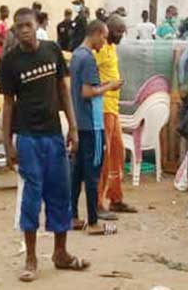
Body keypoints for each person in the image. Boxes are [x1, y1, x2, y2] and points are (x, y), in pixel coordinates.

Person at [0, 7, 88, 282]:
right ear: (14, 31)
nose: (24, 30)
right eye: (18, 27)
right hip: (27, 138)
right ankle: (31, 258)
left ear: (38, 24)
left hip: (53, 134)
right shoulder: (10, 62)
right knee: (31, 198)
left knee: (60, 193)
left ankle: (60, 253)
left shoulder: (52, 51)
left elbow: (63, 90)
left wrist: (73, 127)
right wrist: (7, 144)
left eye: (28, 24)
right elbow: (8, 104)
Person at [69, 20, 119, 236]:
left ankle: (72, 217)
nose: (105, 42)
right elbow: (87, 92)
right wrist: (110, 85)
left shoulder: (76, 55)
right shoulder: (88, 58)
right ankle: (94, 222)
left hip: (79, 122)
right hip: (92, 123)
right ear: (97, 34)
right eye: (104, 37)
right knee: (93, 172)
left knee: (77, 172)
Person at [95, 15, 136, 217]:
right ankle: (98, 203)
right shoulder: (101, 49)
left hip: (113, 109)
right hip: (103, 109)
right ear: (107, 30)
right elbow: (90, 76)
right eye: (118, 31)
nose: (121, 34)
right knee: (103, 157)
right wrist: (107, 87)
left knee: (117, 155)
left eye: (123, 31)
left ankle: (115, 198)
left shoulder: (112, 48)